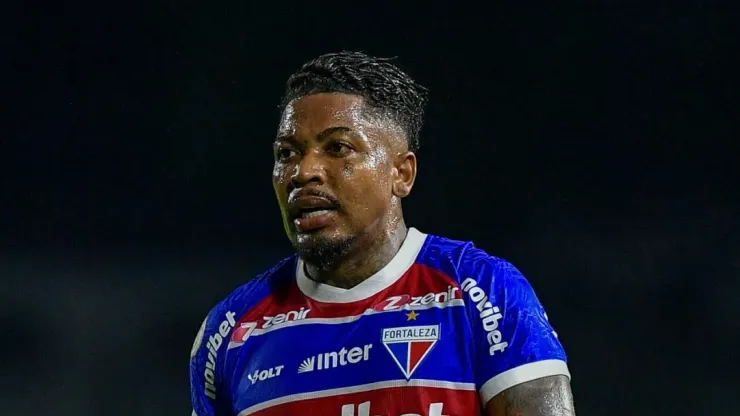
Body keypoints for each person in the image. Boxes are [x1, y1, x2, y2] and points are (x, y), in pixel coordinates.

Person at [189, 51, 575, 416]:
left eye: (338, 147)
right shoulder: (229, 329)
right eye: (286, 153)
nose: (303, 172)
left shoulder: (482, 292)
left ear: (401, 174)